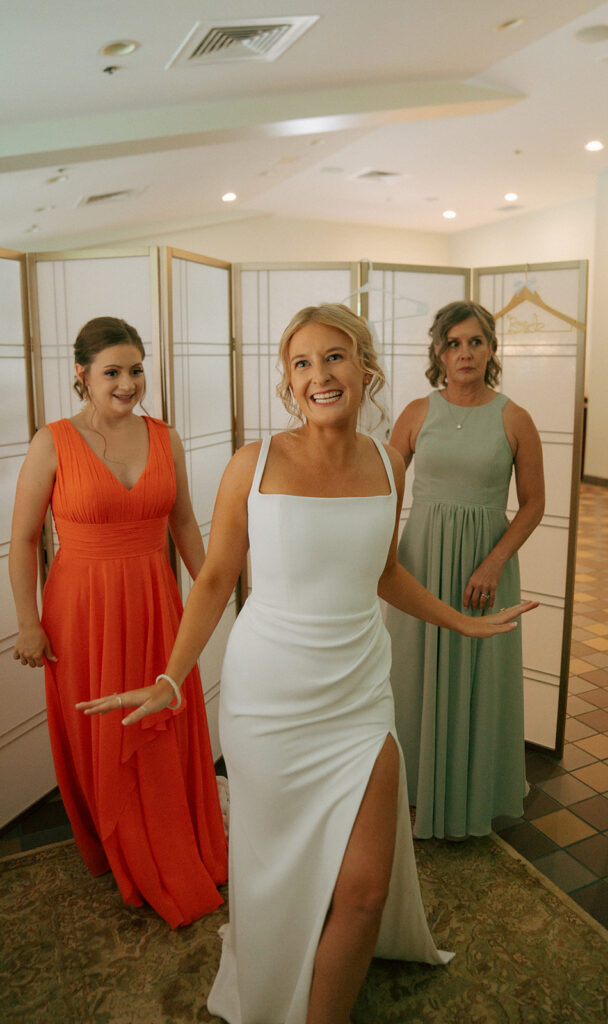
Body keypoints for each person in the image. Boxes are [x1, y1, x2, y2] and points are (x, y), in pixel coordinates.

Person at [78, 304, 537, 1024]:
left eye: (334, 357)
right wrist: (173, 678)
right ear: (288, 382)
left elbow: (382, 573)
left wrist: (461, 622)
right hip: (269, 701)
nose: (318, 375)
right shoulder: (251, 464)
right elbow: (215, 578)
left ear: (364, 368)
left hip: (359, 698)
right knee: (275, 878)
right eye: (300, 363)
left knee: (364, 890)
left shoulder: (388, 464)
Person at [9, 316, 227, 928]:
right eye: (113, 372)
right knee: (104, 738)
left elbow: (183, 525)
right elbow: (24, 540)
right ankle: (123, 849)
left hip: (157, 603)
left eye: (136, 370)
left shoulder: (166, 437)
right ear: (81, 375)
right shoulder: (51, 441)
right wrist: (28, 622)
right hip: (79, 613)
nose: (128, 383)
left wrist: (212, 591)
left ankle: (170, 843)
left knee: (162, 720)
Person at [385, 300, 545, 841]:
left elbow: (533, 504)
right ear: (438, 351)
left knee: (480, 677)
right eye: (453, 343)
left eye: (475, 341)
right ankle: (412, 791)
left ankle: (474, 794)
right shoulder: (414, 414)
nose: (465, 353)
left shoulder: (514, 417)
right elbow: (384, 490)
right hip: (422, 561)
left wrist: (494, 562)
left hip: (486, 568)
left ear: (491, 348)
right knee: (412, 670)